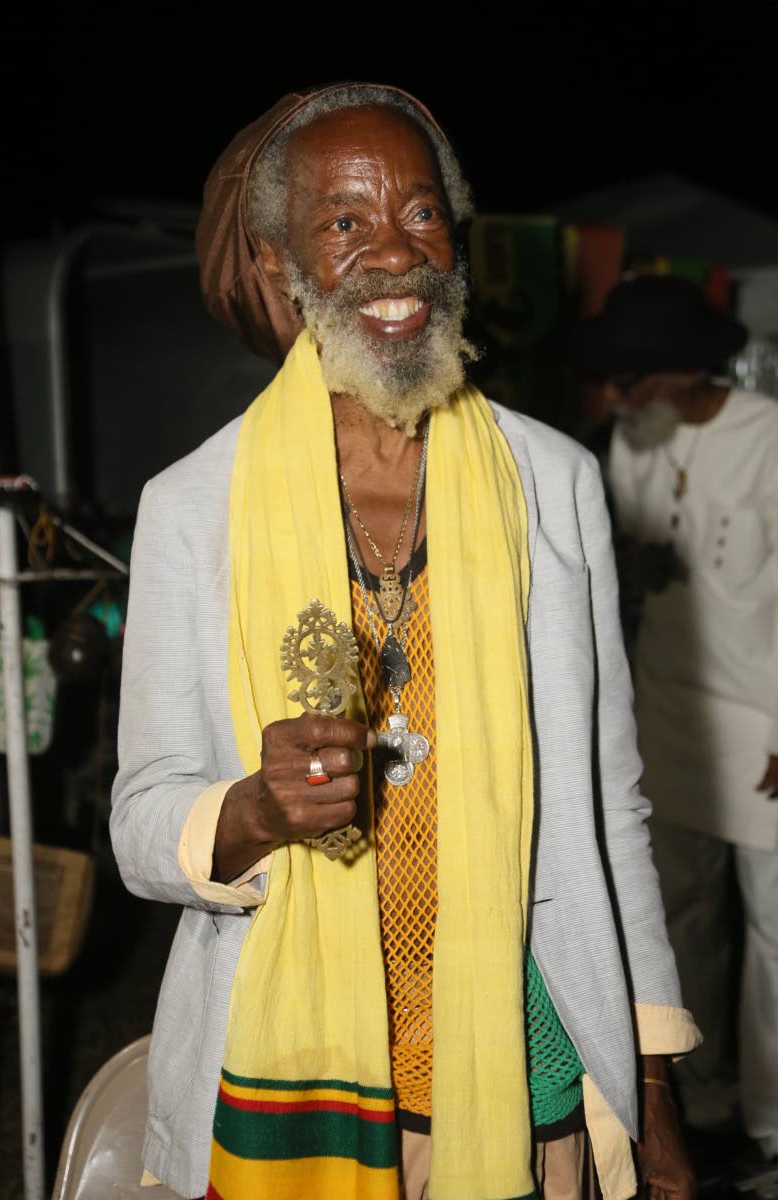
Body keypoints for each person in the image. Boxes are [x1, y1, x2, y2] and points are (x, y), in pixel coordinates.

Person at [111, 84, 700, 1200]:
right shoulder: (192, 505)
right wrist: (252, 811)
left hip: (521, 1079)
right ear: (284, 262)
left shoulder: (552, 483)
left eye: (420, 214)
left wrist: (652, 1081)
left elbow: (607, 808)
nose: (393, 253)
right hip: (289, 1079)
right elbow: (142, 821)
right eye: (343, 222)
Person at [571, 273, 778, 1165]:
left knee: (774, 941)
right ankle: (708, 1113)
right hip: (666, 718)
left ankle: (774, 1123)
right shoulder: (629, 440)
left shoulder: (769, 437)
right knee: (682, 927)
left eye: (636, 377)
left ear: (690, 369)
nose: (622, 396)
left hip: (765, 728)